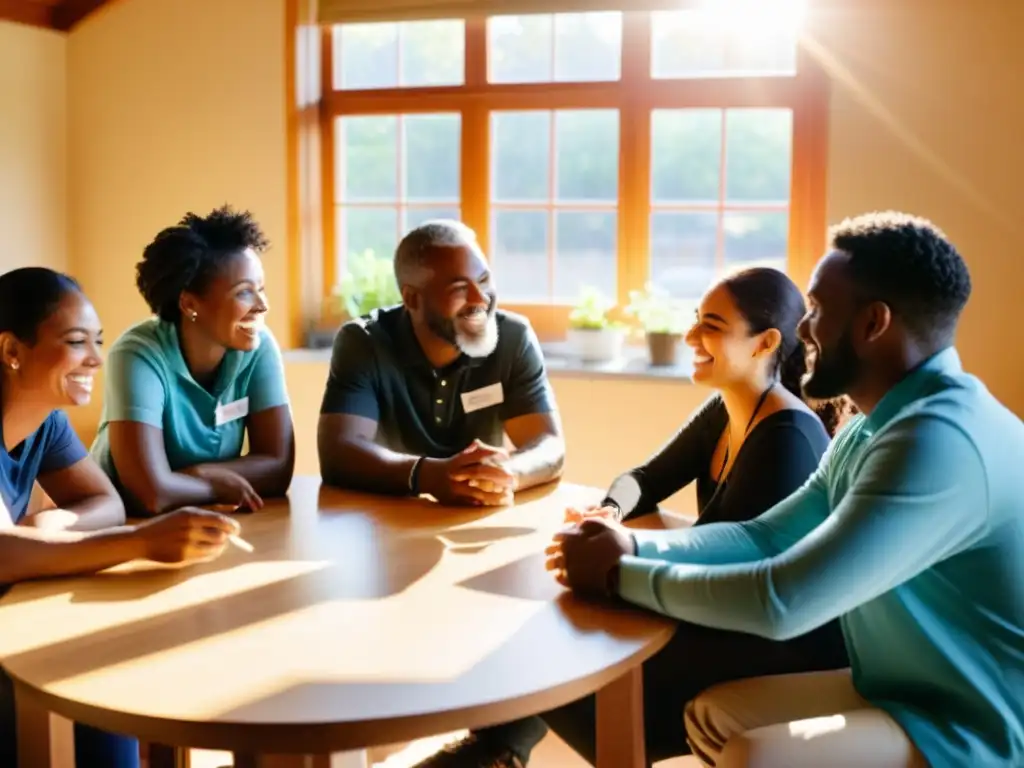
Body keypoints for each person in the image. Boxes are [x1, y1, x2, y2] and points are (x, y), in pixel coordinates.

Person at [549, 211, 1024, 767]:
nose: (803, 328)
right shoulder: (874, 426)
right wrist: (633, 545)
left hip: (976, 727)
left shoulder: (938, 439)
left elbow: (783, 601)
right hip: (899, 689)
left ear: (874, 323)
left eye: (819, 311)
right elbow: (763, 535)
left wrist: (618, 574)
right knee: (711, 716)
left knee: (755, 754)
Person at [414, 268, 851, 767]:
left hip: (772, 639)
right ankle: (495, 751)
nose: (690, 336)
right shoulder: (726, 409)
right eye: (694, 320)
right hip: (721, 608)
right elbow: (642, 478)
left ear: (764, 343)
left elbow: (741, 566)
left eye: (710, 324)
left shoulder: (786, 435)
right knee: (555, 624)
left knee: (568, 652)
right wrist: (611, 510)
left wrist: (622, 559)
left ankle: (501, 752)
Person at [0, 266, 242, 768]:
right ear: (11, 352)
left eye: (98, 341)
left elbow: (104, 501)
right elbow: (2, 554)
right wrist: (140, 542)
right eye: (75, 342)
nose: (94, 358)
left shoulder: (46, 423)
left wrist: (54, 524)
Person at [318, 220, 564, 505]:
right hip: (387, 520)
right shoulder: (363, 342)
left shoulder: (513, 338)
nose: (480, 299)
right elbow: (338, 453)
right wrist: (428, 476)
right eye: (459, 288)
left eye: (484, 281)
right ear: (412, 298)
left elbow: (549, 444)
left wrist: (510, 472)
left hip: (477, 518)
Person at [90, 205, 295, 515]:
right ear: (189, 304)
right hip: (123, 521)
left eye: (261, 289)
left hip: (206, 517)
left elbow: (278, 467)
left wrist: (185, 481)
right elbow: (149, 493)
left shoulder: (259, 346)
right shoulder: (136, 354)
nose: (262, 306)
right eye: (244, 293)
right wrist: (211, 482)